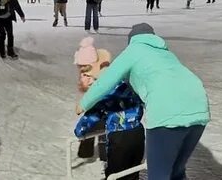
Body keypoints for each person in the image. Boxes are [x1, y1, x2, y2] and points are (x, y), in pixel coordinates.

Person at [77, 24, 210, 180]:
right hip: (199, 107)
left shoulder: (133, 51)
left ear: (132, 39)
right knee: (176, 172)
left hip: (167, 113)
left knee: (159, 175)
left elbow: (106, 81)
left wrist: (83, 103)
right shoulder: (165, 54)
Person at [74, 39, 145, 180]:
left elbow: (92, 115)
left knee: (115, 173)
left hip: (119, 136)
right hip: (138, 132)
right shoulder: (123, 82)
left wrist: (80, 130)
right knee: (132, 173)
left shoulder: (103, 89)